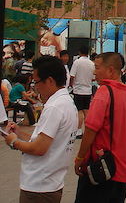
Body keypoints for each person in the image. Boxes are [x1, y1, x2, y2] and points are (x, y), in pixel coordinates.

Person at [5, 56, 78, 203]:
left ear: (50, 81)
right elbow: (45, 140)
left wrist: (14, 142)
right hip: (50, 183)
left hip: (39, 187)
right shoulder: (66, 102)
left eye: (36, 82)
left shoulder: (54, 107)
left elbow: (39, 148)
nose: (35, 87)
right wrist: (19, 133)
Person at [73, 52, 126, 203]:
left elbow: (90, 130)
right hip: (123, 168)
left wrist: (80, 157)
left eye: (97, 67)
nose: (94, 72)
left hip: (103, 168)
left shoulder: (104, 92)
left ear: (110, 70)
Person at [70, 45, 95, 138]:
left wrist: (71, 84)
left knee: (79, 111)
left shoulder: (77, 62)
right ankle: (88, 130)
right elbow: (93, 78)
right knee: (86, 111)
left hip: (78, 90)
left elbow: (72, 75)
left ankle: (79, 131)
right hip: (88, 90)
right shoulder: (91, 64)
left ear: (80, 52)